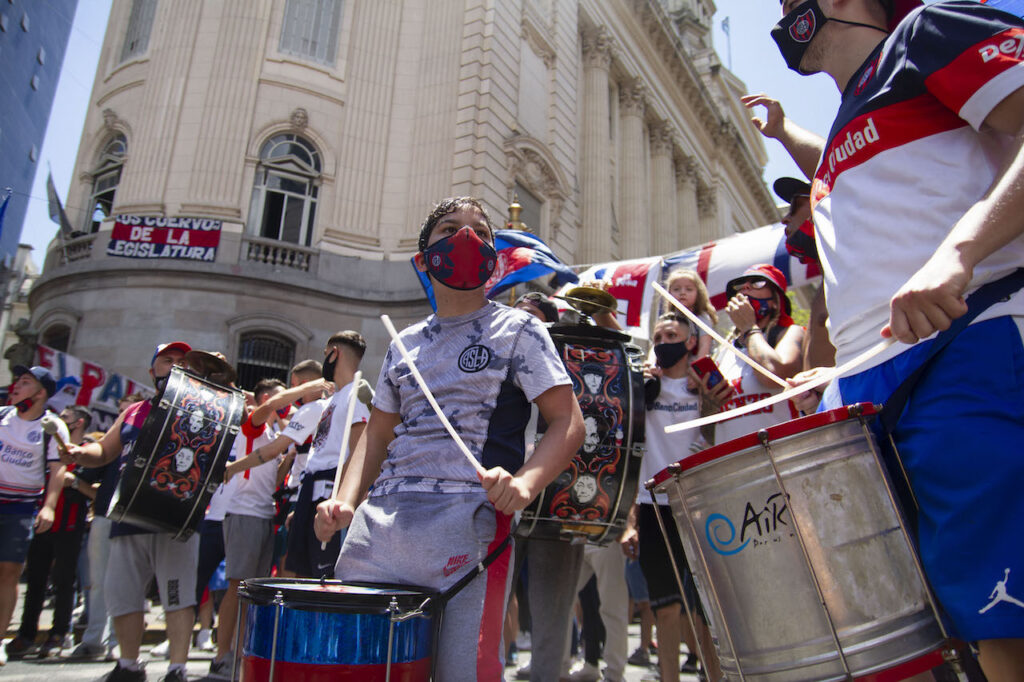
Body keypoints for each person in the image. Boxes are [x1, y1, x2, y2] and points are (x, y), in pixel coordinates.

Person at [772, 1, 1024, 679]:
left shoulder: (928, 31)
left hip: (969, 347)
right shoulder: (840, 135)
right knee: (944, 625)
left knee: (1008, 614)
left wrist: (959, 253)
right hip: (870, 390)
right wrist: (829, 374)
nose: (782, 13)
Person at [315, 196, 584, 681]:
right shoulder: (403, 343)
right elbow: (376, 438)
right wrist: (344, 502)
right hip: (378, 531)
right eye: (448, 229)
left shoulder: (520, 329)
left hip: (471, 529)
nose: (465, 238)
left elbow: (567, 422)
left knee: (464, 672)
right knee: (359, 669)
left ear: (496, 259)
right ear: (423, 260)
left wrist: (524, 485)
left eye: (480, 232)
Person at [64, 341, 198, 682]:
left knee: (176, 594)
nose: (175, 365)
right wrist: (78, 451)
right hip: (128, 512)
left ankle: (177, 668)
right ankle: (128, 665)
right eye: (167, 360)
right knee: (124, 594)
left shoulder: (199, 410)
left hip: (173, 515)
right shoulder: (134, 411)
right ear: (153, 370)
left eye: (182, 361)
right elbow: (105, 450)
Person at [621, 314, 727, 682]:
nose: (664, 340)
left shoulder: (706, 388)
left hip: (699, 506)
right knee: (665, 608)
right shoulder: (643, 387)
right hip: (655, 508)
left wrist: (710, 402)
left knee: (704, 612)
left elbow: (719, 436)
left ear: (690, 342)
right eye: (658, 335)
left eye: (673, 335)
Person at [206, 377, 290, 678]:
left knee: (252, 589)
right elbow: (270, 406)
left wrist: (290, 456)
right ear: (266, 398)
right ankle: (222, 655)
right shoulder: (251, 423)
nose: (288, 404)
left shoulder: (273, 433)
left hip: (264, 514)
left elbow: (274, 479)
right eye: (283, 398)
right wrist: (311, 387)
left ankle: (242, 653)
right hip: (243, 514)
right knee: (236, 586)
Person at [7, 405, 93, 659]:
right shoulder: (47, 446)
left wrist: (76, 481)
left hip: (70, 522)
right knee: (35, 580)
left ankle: (59, 633)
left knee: (64, 580)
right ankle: (26, 634)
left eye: (64, 417)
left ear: (77, 423)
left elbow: (97, 490)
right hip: (42, 521)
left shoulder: (89, 452)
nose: (56, 419)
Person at [0, 366, 68, 665]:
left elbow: (58, 470)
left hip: (22, 506)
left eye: (25, 383)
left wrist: (49, 506)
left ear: (41, 394)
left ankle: (0, 638)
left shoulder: (51, 426)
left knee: (9, 573)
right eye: (18, 381)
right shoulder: (2, 416)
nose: (16, 386)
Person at [715, 264, 804, 444]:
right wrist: (709, 403)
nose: (745, 287)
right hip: (734, 460)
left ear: (775, 300)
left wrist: (749, 328)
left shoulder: (790, 333)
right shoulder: (722, 351)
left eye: (757, 282)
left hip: (782, 453)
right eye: (740, 285)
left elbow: (773, 375)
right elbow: (709, 429)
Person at [662, 268, 718, 359]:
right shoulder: (667, 319)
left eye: (689, 289)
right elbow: (657, 344)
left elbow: (705, 345)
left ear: (698, 293)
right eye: (676, 289)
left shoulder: (702, 318)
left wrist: (697, 369)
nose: (682, 293)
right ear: (669, 293)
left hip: (695, 368)